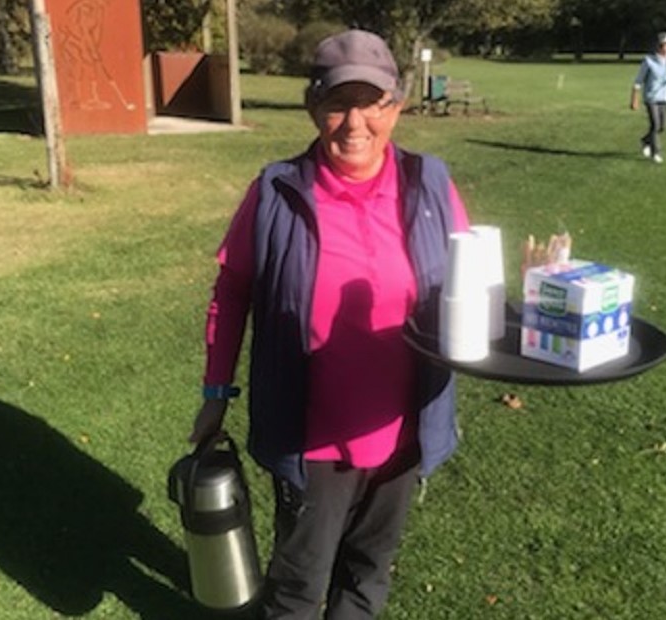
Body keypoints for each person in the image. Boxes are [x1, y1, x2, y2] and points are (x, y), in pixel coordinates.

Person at [190, 29, 470, 619]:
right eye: (339, 103)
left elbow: (468, 283)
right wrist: (216, 393)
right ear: (313, 107)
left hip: (403, 431)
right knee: (298, 583)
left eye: (372, 103)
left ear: (396, 107)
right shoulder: (276, 191)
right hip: (311, 437)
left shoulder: (430, 184)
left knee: (368, 573)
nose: (355, 123)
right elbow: (232, 290)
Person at [630, 31, 666, 164]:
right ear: (659, 45)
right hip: (651, 97)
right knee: (655, 125)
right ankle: (656, 152)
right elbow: (638, 81)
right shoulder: (649, 60)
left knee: (662, 126)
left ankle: (645, 140)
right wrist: (634, 99)